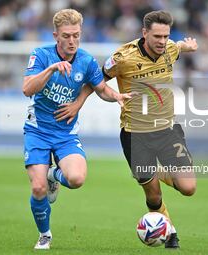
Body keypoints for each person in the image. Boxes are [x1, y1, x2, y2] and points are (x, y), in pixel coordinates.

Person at [55, 10, 198, 249]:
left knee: (188, 188)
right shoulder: (123, 57)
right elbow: (96, 80)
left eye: (166, 36)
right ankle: (169, 230)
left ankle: (154, 171)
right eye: (157, 37)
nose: (162, 42)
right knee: (153, 195)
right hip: (135, 134)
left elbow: (178, 46)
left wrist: (187, 45)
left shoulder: (171, 49)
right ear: (144, 33)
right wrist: (77, 104)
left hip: (167, 130)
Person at [23, 9, 131, 250]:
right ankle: (45, 235)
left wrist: (117, 96)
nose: (72, 41)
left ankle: (54, 175)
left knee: (76, 179)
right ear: (56, 36)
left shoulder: (86, 60)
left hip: (66, 134)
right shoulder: (40, 55)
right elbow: (27, 88)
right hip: (37, 130)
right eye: (66, 36)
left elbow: (101, 89)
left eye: (76, 35)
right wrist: (51, 69)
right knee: (38, 188)